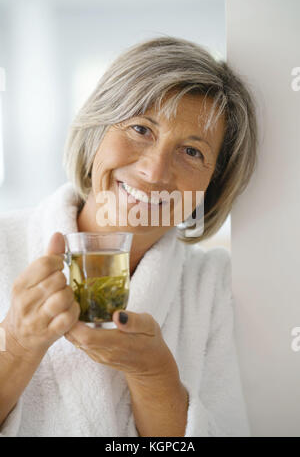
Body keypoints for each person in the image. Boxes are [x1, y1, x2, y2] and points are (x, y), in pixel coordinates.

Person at [0, 36, 257, 437]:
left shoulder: (214, 287)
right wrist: (16, 346)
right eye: (141, 128)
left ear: (213, 183)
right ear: (98, 128)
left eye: (192, 152)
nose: (155, 172)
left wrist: (154, 375)